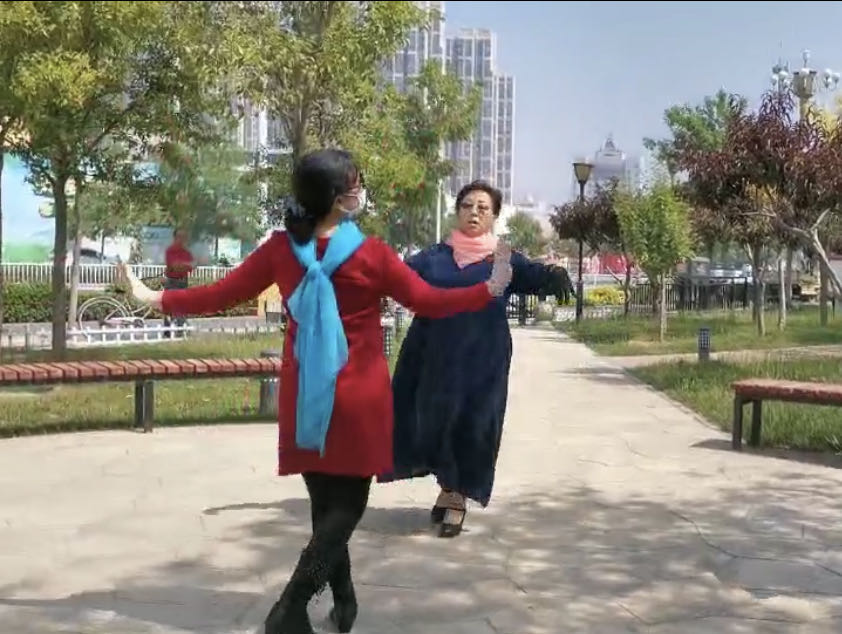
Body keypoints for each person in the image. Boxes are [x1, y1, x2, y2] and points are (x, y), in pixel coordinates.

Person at [120, 150, 513, 634]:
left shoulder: (280, 249)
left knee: (326, 508)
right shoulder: (371, 254)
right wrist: (488, 289)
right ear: (338, 198)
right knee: (344, 511)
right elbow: (428, 301)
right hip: (359, 397)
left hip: (304, 392)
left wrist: (154, 297)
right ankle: (289, 608)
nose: (360, 190)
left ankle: (344, 603)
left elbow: (220, 294)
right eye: (355, 184)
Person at [380, 180, 574, 538]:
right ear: (457, 212)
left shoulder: (503, 258)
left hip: (482, 359)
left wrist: (555, 274)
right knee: (434, 423)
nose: (474, 213)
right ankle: (449, 488)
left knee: (472, 425)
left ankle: (456, 497)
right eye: (468, 206)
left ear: (494, 216)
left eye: (483, 208)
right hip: (432, 356)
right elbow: (395, 278)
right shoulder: (433, 257)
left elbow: (535, 276)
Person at [163, 228, 195, 337]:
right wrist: (182, 266)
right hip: (172, 281)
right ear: (175, 238)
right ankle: (167, 332)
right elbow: (172, 266)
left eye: (184, 237)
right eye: (179, 236)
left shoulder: (187, 253)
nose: (182, 239)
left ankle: (180, 331)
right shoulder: (170, 251)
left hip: (183, 281)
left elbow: (190, 267)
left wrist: (180, 266)